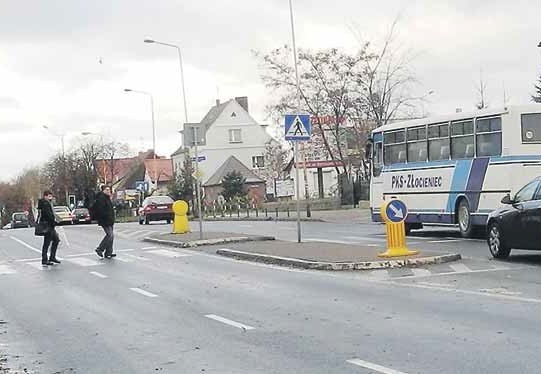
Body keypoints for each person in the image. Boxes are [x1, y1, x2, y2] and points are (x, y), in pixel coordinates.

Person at [37, 191, 61, 266]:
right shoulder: (45, 204)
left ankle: (52, 257)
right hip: (48, 225)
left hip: (49, 225)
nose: (51, 198)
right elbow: (48, 214)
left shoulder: (47, 203)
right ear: (45, 196)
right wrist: (54, 222)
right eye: (49, 196)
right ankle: (45, 259)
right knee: (47, 242)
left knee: (56, 240)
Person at [93, 185, 116, 259]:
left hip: (110, 220)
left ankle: (108, 252)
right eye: (107, 190)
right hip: (105, 221)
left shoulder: (107, 198)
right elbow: (101, 210)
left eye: (109, 189)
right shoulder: (101, 198)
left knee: (111, 236)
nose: (108, 191)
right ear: (103, 190)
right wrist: (107, 216)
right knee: (110, 235)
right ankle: (100, 249)